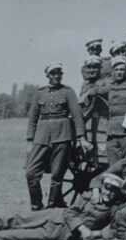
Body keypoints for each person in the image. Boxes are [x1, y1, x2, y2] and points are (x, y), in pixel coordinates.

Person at [0, 173, 125, 240]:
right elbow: (69, 211)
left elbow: (112, 231)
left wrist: (93, 233)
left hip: (57, 233)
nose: (108, 193)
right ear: (101, 187)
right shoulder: (88, 196)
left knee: (13, 235)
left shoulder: (113, 211)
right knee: (12, 220)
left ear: (117, 194)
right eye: (107, 188)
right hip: (51, 215)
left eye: (113, 191)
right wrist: (82, 228)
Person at [24, 63, 88, 211]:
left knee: (57, 174)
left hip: (63, 135)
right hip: (42, 136)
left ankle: (52, 206)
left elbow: (77, 116)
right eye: (53, 74)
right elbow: (33, 117)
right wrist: (29, 140)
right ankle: (36, 205)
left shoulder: (68, 92)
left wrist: (81, 137)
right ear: (47, 76)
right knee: (30, 172)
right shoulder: (40, 93)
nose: (56, 76)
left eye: (59, 73)